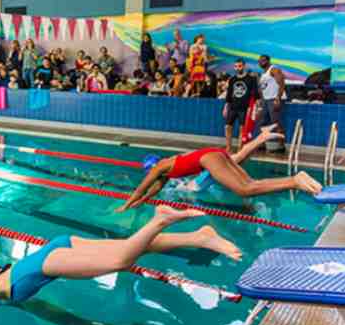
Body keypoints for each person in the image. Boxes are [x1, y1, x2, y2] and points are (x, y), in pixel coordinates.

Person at [0, 206, 241, 305]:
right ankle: (200, 236)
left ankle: (160, 219)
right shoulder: (13, 270)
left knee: (121, 261)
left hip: (49, 263)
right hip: (58, 245)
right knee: (133, 245)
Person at [116, 135, 322, 212]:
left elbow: (141, 188)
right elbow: (152, 190)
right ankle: (296, 179)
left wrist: (126, 205)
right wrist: (141, 202)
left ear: (150, 167)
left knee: (244, 190)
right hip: (211, 154)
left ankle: (295, 181)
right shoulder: (164, 171)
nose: (149, 174)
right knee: (250, 184)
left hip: (208, 159)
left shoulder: (159, 167)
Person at [224, 59, 258, 153]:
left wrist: (255, 108)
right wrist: (226, 107)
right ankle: (228, 148)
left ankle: (240, 149)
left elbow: (255, 94)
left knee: (242, 129)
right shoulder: (232, 79)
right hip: (233, 106)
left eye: (239, 66)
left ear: (244, 66)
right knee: (227, 127)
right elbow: (229, 94)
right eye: (236, 66)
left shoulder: (251, 79)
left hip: (245, 107)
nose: (237, 68)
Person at [257, 54, 287, 152]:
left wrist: (278, 98)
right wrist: (261, 101)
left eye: (263, 60)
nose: (261, 62)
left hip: (274, 98)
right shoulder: (263, 74)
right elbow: (263, 89)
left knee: (276, 123)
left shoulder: (274, 69)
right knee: (262, 123)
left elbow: (281, 82)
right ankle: (262, 144)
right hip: (266, 100)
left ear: (268, 61)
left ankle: (281, 146)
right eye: (259, 61)